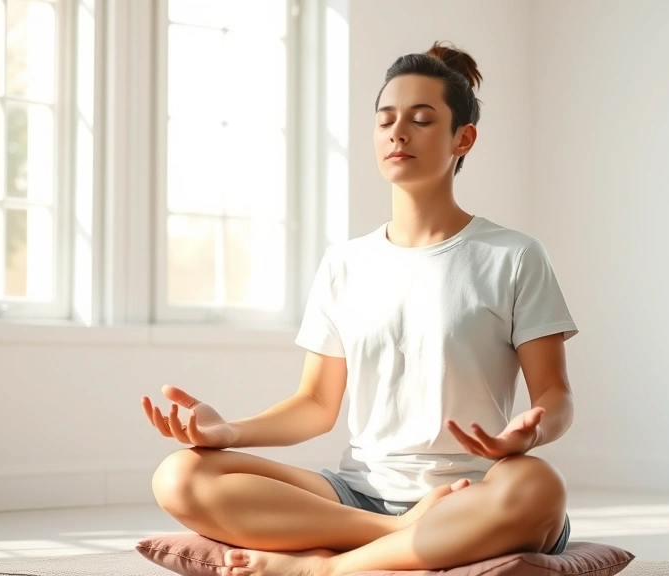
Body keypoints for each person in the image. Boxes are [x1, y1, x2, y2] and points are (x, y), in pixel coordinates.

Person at [142, 41, 579, 576]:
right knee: (180, 476)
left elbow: (554, 395)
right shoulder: (345, 262)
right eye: (385, 120)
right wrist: (228, 432)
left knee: (539, 487)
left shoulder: (513, 255)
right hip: (358, 494)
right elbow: (314, 404)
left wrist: (529, 433)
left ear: (463, 138)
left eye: (421, 119)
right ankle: (393, 537)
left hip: (472, 490)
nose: (398, 132)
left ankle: (322, 568)